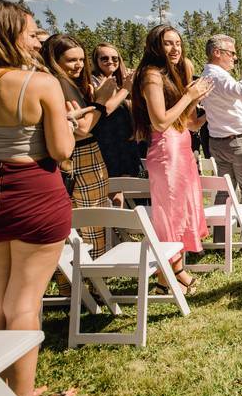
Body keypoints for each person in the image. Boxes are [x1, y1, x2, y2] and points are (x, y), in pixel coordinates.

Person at [0, 0, 82, 396]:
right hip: (33, 194)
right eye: (29, 33)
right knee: (24, 303)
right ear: (4, 35)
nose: (35, 41)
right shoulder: (39, 84)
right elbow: (63, 151)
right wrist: (68, 123)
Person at [131, 24, 213, 293]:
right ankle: (167, 276)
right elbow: (160, 121)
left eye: (178, 42)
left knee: (181, 211)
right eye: (168, 43)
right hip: (166, 152)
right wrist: (189, 94)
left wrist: (202, 104)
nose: (175, 48)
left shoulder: (171, 74)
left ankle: (171, 275)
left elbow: (188, 123)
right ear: (155, 46)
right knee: (169, 214)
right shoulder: (151, 76)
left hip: (182, 146)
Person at [41, 35, 113, 260]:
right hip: (82, 154)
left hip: (67, 156)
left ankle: (70, 282)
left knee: (70, 223)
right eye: (71, 60)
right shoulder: (60, 83)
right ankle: (96, 278)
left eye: (81, 59)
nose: (79, 65)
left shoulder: (62, 82)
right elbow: (83, 128)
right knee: (92, 219)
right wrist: (100, 101)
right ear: (54, 59)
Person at [200, 35, 242, 235]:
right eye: (232, 53)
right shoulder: (218, 75)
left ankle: (222, 239)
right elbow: (241, 90)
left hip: (219, 142)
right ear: (217, 53)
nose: (234, 58)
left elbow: (240, 102)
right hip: (238, 143)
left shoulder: (210, 75)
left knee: (225, 190)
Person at [90, 43, 141, 192]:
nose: (110, 61)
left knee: (127, 188)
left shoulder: (120, 80)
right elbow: (106, 109)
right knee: (113, 189)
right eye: (104, 58)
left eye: (115, 58)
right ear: (96, 61)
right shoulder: (93, 82)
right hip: (107, 142)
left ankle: (128, 214)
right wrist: (126, 88)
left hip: (125, 141)